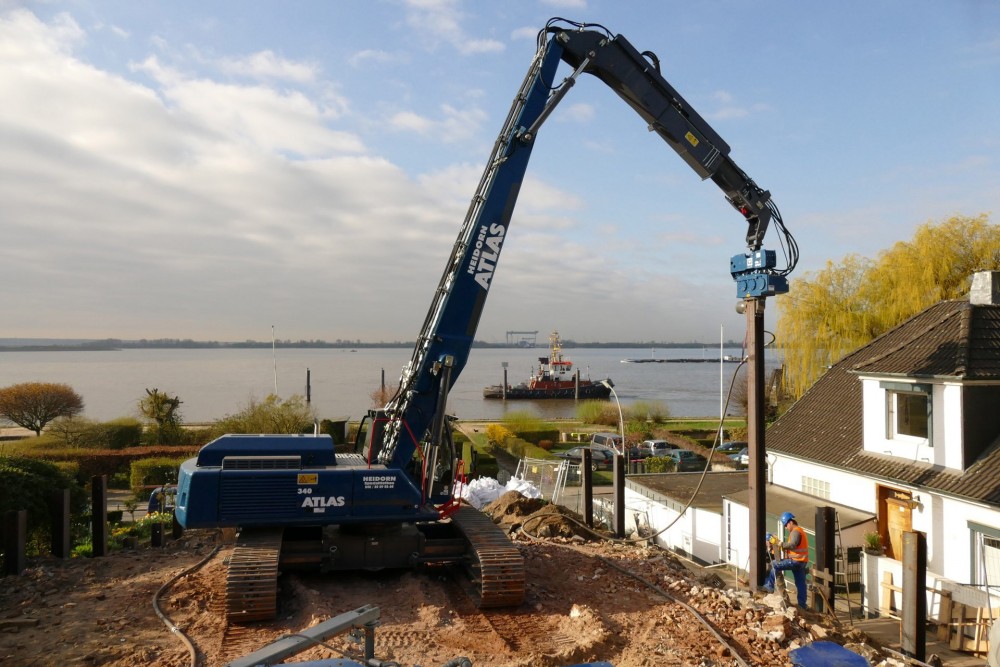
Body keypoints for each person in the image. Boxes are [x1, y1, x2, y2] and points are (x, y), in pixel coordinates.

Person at [763, 511, 810, 608]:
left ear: (790, 522)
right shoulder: (799, 531)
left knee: (774, 564)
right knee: (801, 584)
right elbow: (794, 547)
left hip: (795, 561)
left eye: (785, 525)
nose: (785, 527)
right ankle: (802, 605)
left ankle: (769, 587)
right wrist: (782, 546)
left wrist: (780, 544)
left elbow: (792, 545)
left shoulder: (795, 532)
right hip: (801, 562)